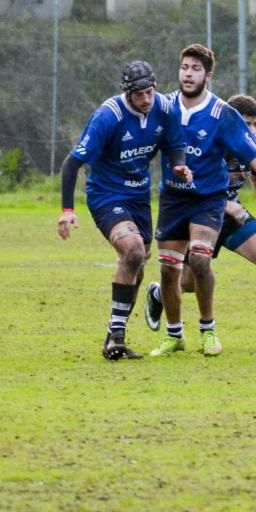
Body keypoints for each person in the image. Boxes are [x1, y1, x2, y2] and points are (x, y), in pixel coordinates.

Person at [149, 44, 256, 358]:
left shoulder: (222, 115)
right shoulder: (164, 107)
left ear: (208, 75)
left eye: (196, 69)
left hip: (208, 202)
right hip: (174, 200)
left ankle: (209, 330)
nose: (188, 74)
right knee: (172, 274)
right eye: (184, 67)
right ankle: (173, 333)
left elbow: (255, 158)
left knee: (203, 262)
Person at [57, 60, 191, 361]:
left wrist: (179, 164)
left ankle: (113, 337)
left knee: (137, 264)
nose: (146, 99)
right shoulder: (109, 116)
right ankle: (116, 337)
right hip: (106, 195)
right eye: (139, 94)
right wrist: (67, 209)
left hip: (139, 197)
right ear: (127, 93)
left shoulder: (165, 109)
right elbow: (72, 163)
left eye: (150, 92)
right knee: (132, 252)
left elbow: (174, 143)